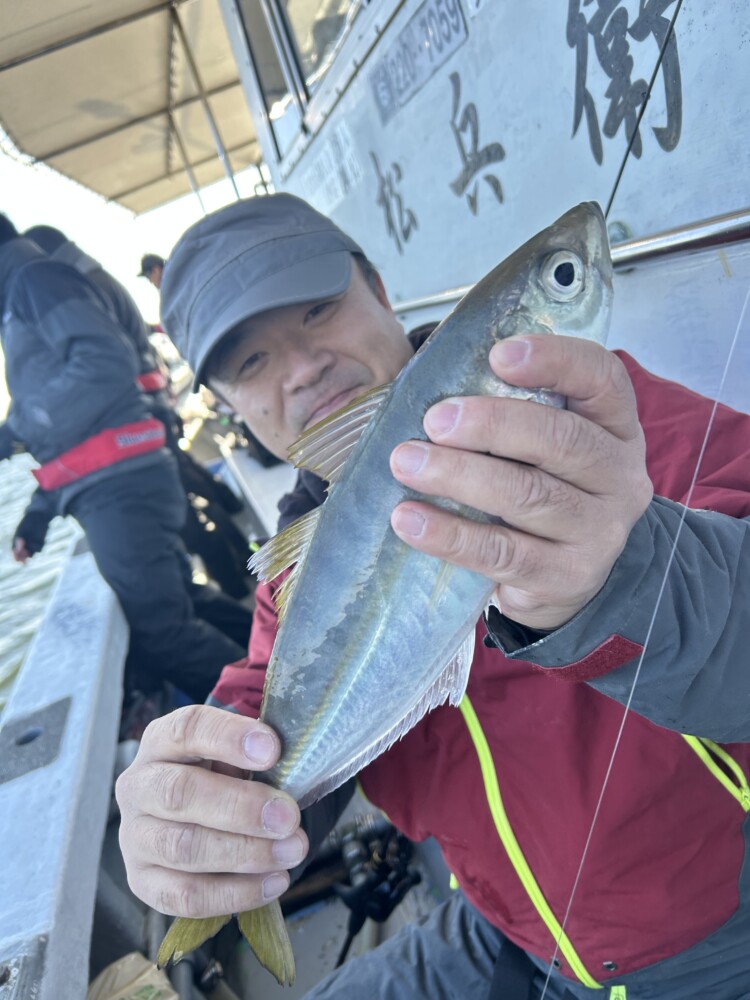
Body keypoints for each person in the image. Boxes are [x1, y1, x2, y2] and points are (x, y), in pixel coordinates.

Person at [115, 195, 750, 999]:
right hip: (505, 930)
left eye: (318, 309)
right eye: (249, 363)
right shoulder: (294, 572)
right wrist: (207, 809)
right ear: (231, 408)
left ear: (379, 290)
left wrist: (623, 571)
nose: (303, 366)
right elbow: (267, 704)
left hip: (711, 936)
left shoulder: (612, 428)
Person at [0, 214, 251, 703]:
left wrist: (17, 427)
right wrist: (36, 517)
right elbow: (72, 442)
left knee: (165, 635)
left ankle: (280, 729)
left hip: (121, 493)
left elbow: (104, 361)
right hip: (123, 486)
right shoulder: (22, 293)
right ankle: (282, 651)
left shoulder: (33, 282)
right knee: (188, 601)